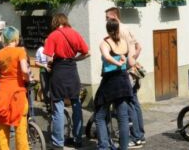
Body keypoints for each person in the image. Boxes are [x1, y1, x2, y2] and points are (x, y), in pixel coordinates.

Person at [44, 13, 90, 149]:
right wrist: (74, 59)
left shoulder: (53, 35)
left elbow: (48, 58)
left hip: (58, 71)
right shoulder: (75, 33)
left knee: (58, 106)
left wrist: (49, 66)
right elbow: (87, 52)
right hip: (72, 71)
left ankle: (58, 143)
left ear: (55, 21)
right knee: (76, 105)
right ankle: (77, 139)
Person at [94, 19, 138, 150]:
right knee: (123, 118)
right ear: (118, 28)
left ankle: (103, 147)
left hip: (110, 81)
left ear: (107, 29)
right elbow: (130, 60)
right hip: (124, 81)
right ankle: (123, 148)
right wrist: (123, 61)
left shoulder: (105, 43)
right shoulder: (124, 42)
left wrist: (117, 63)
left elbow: (107, 57)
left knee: (100, 115)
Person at [106, 7, 145, 146]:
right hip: (133, 69)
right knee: (134, 103)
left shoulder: (119, 31)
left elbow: (124, 52)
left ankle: (136, 137)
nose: (106, 21)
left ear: (114, 17)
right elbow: (139, 46)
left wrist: (127, 64)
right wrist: (134, 61)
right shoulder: (126, 27)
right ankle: (140, 134)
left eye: (107, 18)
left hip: (126, 71)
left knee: (129, 105)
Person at [0, 26, 29, 150]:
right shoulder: (20, 51)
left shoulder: (0, 53)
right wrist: (28, 78)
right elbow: (24, 69)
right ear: (16, 39)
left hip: (3, 93)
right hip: (18, 92)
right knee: (20, 127)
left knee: (2, 127)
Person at [34, 37, 50, 103]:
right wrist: (45, 66)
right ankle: (48, 104)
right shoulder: (40, 50)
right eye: (46, 42)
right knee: (45, 88)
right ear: (44, 42)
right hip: (43, 71)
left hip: (52, 71)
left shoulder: (53, 48)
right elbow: (36, 63)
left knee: (52, 88)